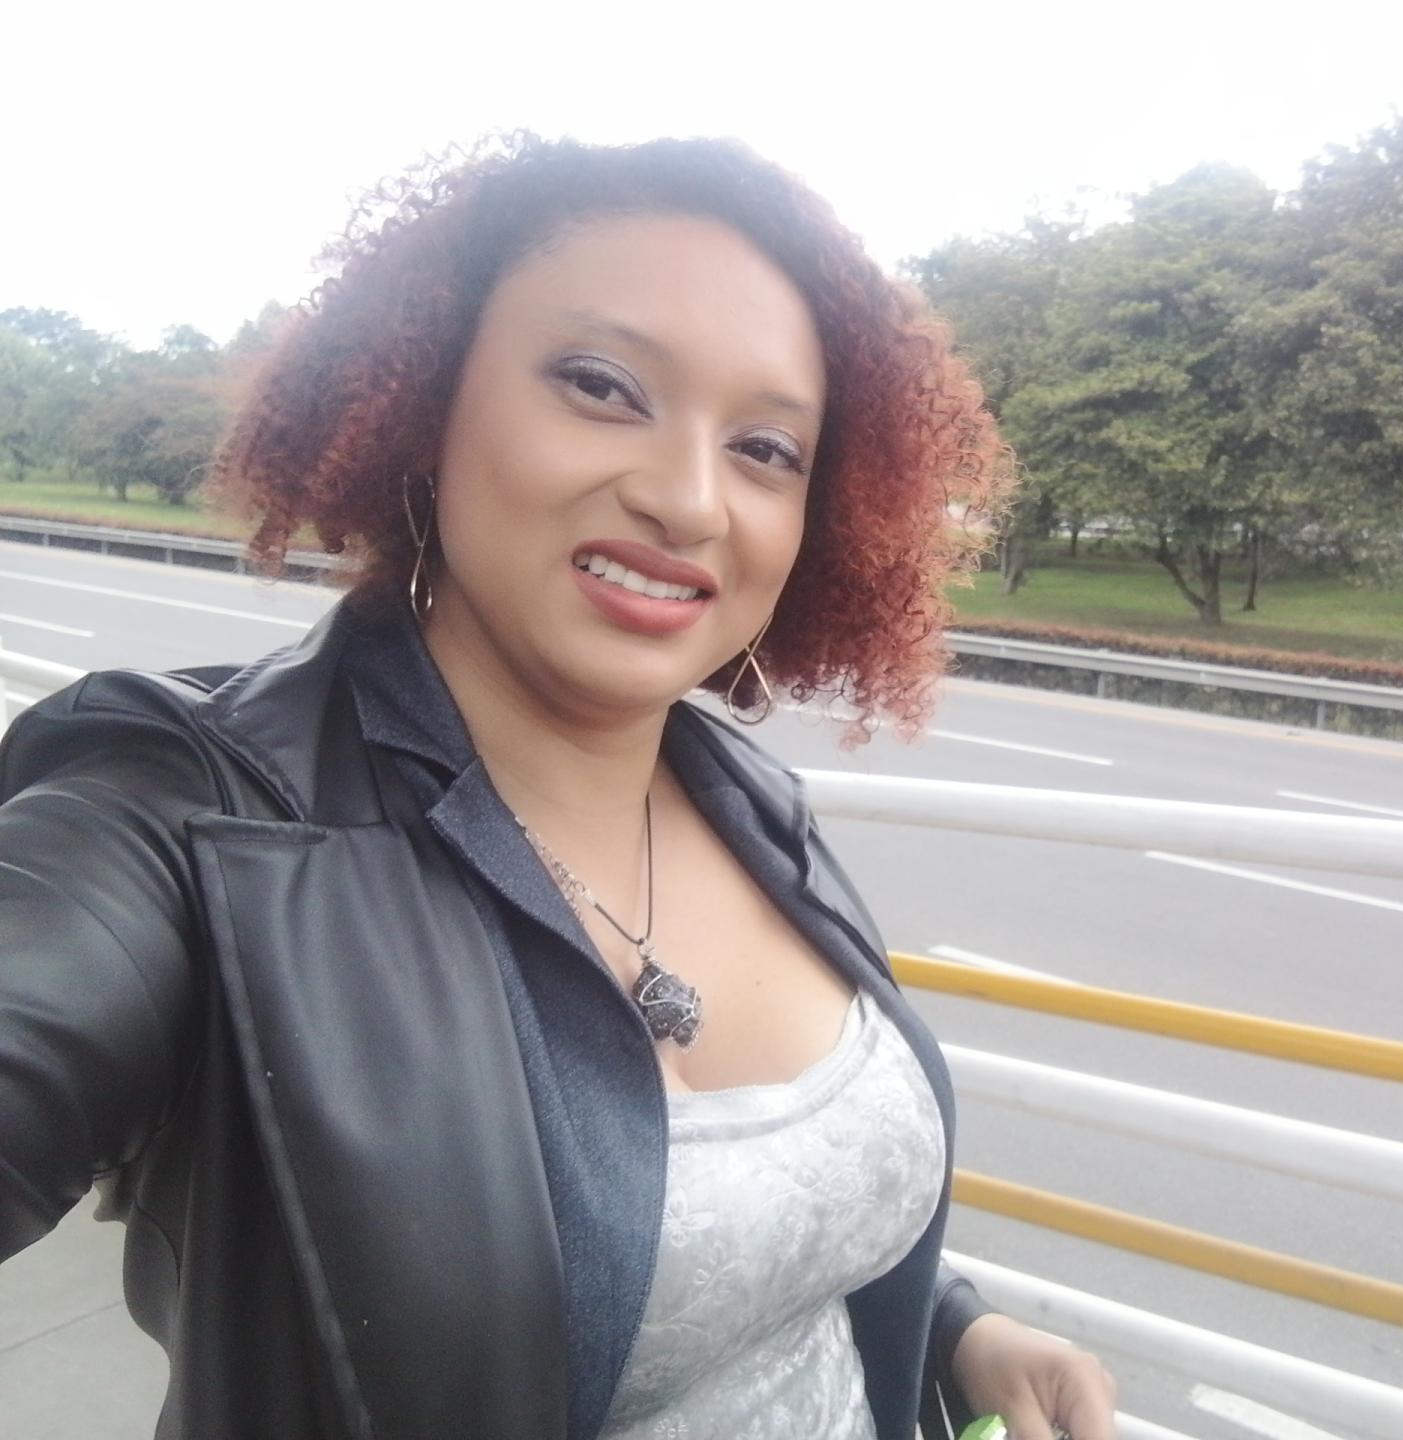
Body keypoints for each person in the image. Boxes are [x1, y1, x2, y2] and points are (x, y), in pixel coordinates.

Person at [0, 134, 1117, 1440]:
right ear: (430, 401)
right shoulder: (198, 817)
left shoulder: (754, 808)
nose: (689, 500)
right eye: (601, 385)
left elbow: (733, 1217)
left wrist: (955, 1327)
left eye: (766, 448)